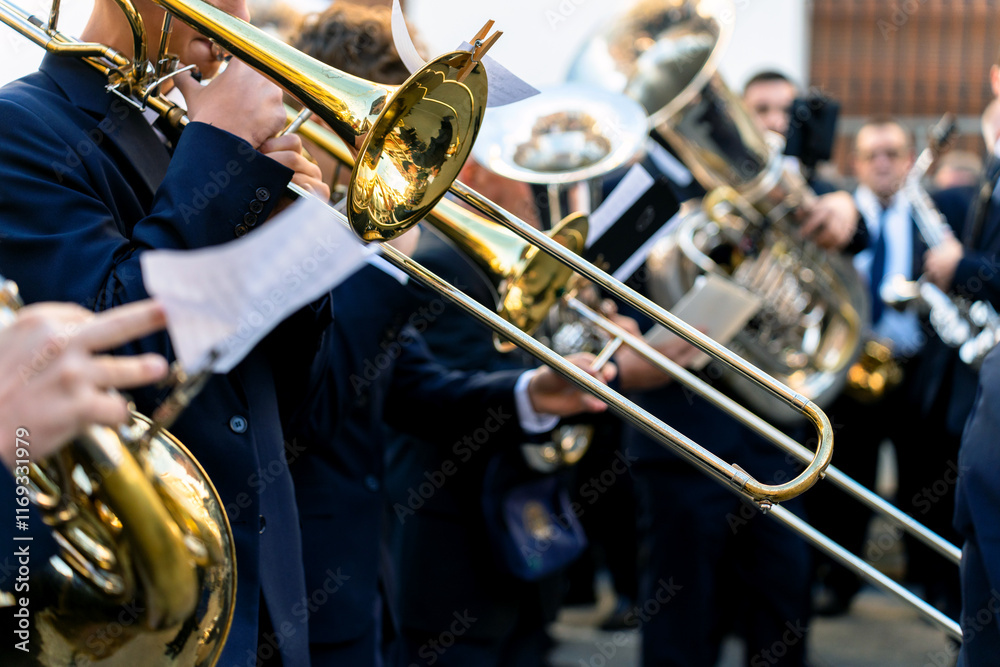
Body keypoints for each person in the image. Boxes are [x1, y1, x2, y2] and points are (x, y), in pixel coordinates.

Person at [0, 0, 331, 663]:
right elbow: (115, 350)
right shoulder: (19, 123)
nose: (241, 13)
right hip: (138, 610)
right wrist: (218, 153)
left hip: (265, 602)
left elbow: (291, 406)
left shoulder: (194, 137)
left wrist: (292, 248)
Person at [286, 6, 613, 666]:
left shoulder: (366, 248)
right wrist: (381, 253)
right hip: (323, 585)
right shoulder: (297, 242)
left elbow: (420, 387)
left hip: (374, 584)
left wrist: (535, 391)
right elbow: (318, 410)